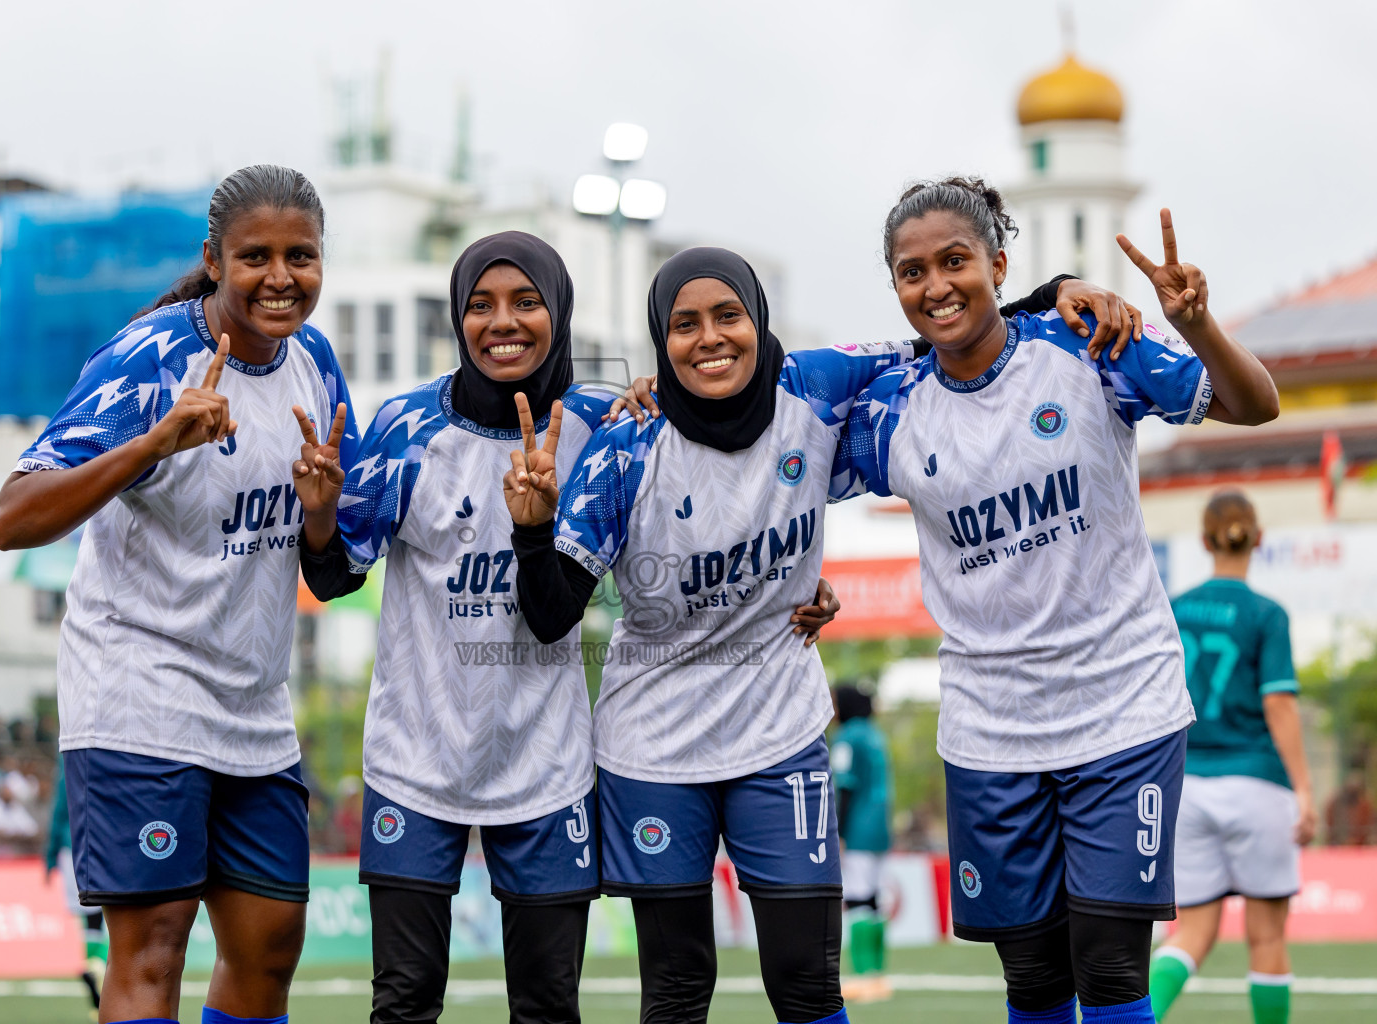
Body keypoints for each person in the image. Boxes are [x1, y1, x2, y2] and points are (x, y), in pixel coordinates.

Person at [503, 244, 1115, 1024]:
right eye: (684, 325)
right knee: (679, 986)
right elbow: (553, 613)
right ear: (661, 341)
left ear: (759, 321)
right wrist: (530, 533)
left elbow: (948, 330)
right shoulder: (628, 447)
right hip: (651, 749)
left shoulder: (816, 387)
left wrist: (1055, 291)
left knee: (805, 983)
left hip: (779, 735)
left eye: (728, 316)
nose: (710, 338)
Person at [298, 231, 840, 1023]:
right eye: (480, 305)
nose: (502, 322)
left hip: (547, 767)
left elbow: (708, 494)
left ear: (561, 311)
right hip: (416, 759)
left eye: (526, 302)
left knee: (549, 1006)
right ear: (456, 316)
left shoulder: (608, 421)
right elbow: (333, 574)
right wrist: (317, 520)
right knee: (405, 999)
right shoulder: (405, 426)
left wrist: (791, 582)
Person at [833, 178, 1280, 1024]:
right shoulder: (890, 408)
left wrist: (1192, 325)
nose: (935, 287)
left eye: (956, 261)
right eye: (911, 272)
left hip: (1124, 712)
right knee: (1034, 982)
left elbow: (1256, 404)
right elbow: (762, 452)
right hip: (990, 733)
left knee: (1110, 971)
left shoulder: (1087, 347)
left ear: (999, 264)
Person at [0, 163, 357, 1024]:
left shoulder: (315, 363)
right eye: (255, 256)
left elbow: (331, 569)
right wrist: (154, 444)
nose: (279, 277)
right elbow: (13, 517)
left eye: (300, 256)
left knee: (270, 949)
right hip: (139, 694)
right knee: (153, 949)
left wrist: (322, 511)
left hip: (254, 710)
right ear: (214, 259)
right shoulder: (151, 356)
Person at [1149, 492, 1315, 1024]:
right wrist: (1305, 791)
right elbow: (1279, 704)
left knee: (1190, 935)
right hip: (1258, 784)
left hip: (1188, 787)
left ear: (1204, 540)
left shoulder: (1172, 608)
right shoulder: (1267, 614)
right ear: (1258, 539)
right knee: (1266, 938)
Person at [830, 685, 893, 1000]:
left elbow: (845, 786)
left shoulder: (847, 737)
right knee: (873, 899)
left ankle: (865, 977)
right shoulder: (874, 734)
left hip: (858, 828)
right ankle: (879, 974)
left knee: (856, 898)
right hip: (880, 826)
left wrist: (838, 830)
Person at [47, 760, 107, 1018]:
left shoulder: (67, 762)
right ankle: (99, 968)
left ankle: (93, 971)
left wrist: (49, 858)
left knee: (89, 918)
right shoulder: (113, 758)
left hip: (70, 849)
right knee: (108, 916)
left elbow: (59, 810)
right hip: (102, 845)